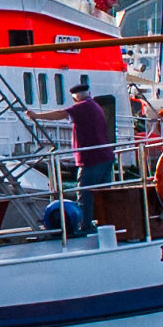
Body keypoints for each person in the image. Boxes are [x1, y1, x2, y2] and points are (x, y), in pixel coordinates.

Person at [42, 79, 114, 229]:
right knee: (103, 194)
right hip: (105, 156)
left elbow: (61, 114)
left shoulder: (82, 107)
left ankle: (85, 226)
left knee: (85, 195)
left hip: (91, 159)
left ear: (75, 97)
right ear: (89, 93)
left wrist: (36, 116)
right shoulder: (95, 106)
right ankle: (107, 223)